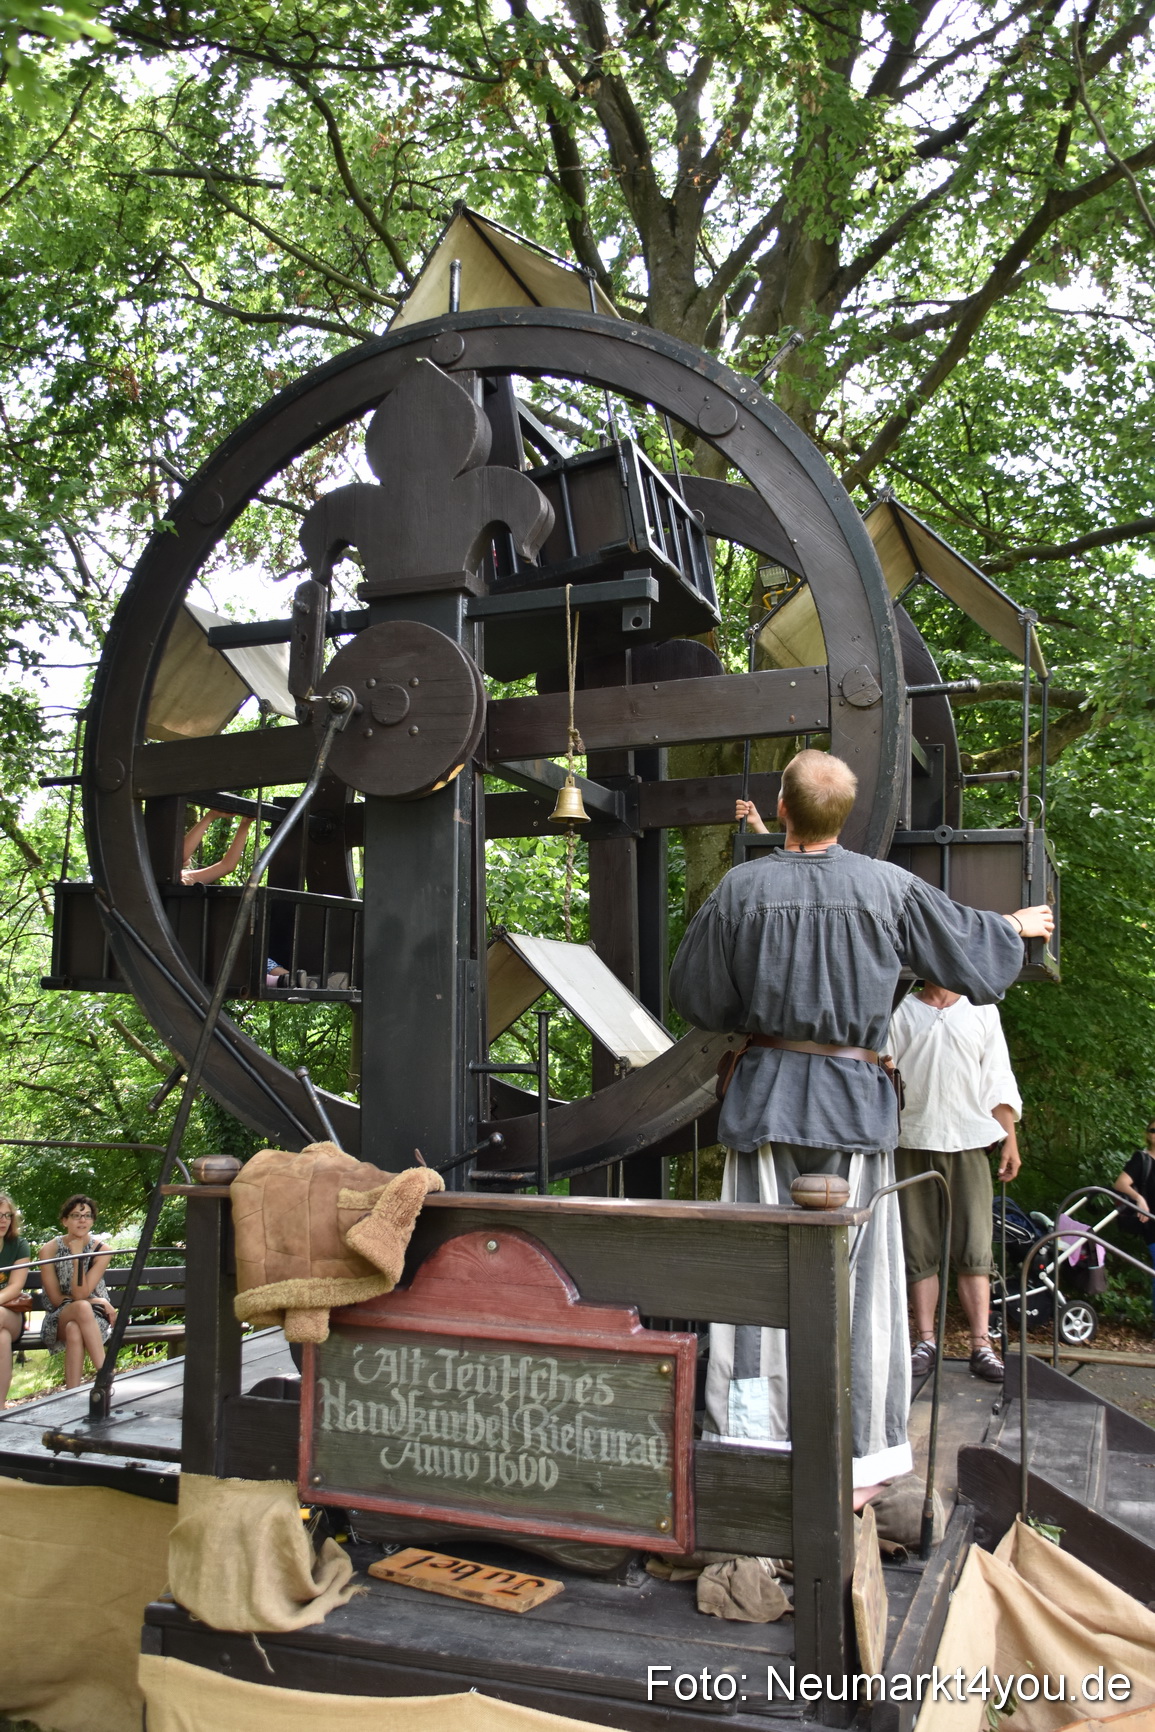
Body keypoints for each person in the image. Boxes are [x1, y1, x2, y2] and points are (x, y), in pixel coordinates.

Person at [671, 752, 1053, 1506]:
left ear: (781, 810)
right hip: (855, 1106)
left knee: (757, 1289)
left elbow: (699, 1000)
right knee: (866, 1295)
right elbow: (975, 956)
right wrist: (1011, 925)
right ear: (842, 816)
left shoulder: (739, 890)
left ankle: (753, 1451)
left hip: (768, 1103)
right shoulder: (889, 888)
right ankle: (860, 1469)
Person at [885, 982, 1022, 1383]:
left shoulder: (982, 1011)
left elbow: (997, 1078)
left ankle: (982, 1344)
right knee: (917, 1246)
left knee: (975, 1248)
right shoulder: (899, 1011)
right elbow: (881, 1070)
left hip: (970, 1141)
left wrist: (1009, 1139)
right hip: (910, 1140)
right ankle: (925, 1341)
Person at [38, 1195, 117, 1389]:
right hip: (59, 1316)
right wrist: (98, 1301)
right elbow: (57, 1299)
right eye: (76, 1215)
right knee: (81, 1308)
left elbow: (81, 1294)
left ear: (92, 1221)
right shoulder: (49, 1250)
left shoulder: (102, 1250)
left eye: (87, 1216)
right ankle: (105, 1373)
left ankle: (71, 1394)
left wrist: (78, 1257)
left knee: (75, 1328)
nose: (82, 1220)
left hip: (95, 1318)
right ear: (65, 1221)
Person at [1113, 1121, 1155, 1322]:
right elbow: (1121, 1183)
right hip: (1152, 1224)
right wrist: (1139, 1199)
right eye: (1153, 1130)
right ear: (1148, 1134)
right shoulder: (1142, 1159)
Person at [0, 1192, 31, 1408]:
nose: (3, 1221)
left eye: (7, 1215)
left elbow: (15, 1286)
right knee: (1, 1340)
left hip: (10, 1315)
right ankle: (0, 1408)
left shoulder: (19, 1245)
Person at [182, 808, 252, 885]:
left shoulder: (186, 877)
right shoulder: (179, 876)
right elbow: (181, 854)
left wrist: (245, 823)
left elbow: (227, 866)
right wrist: (210, 816)